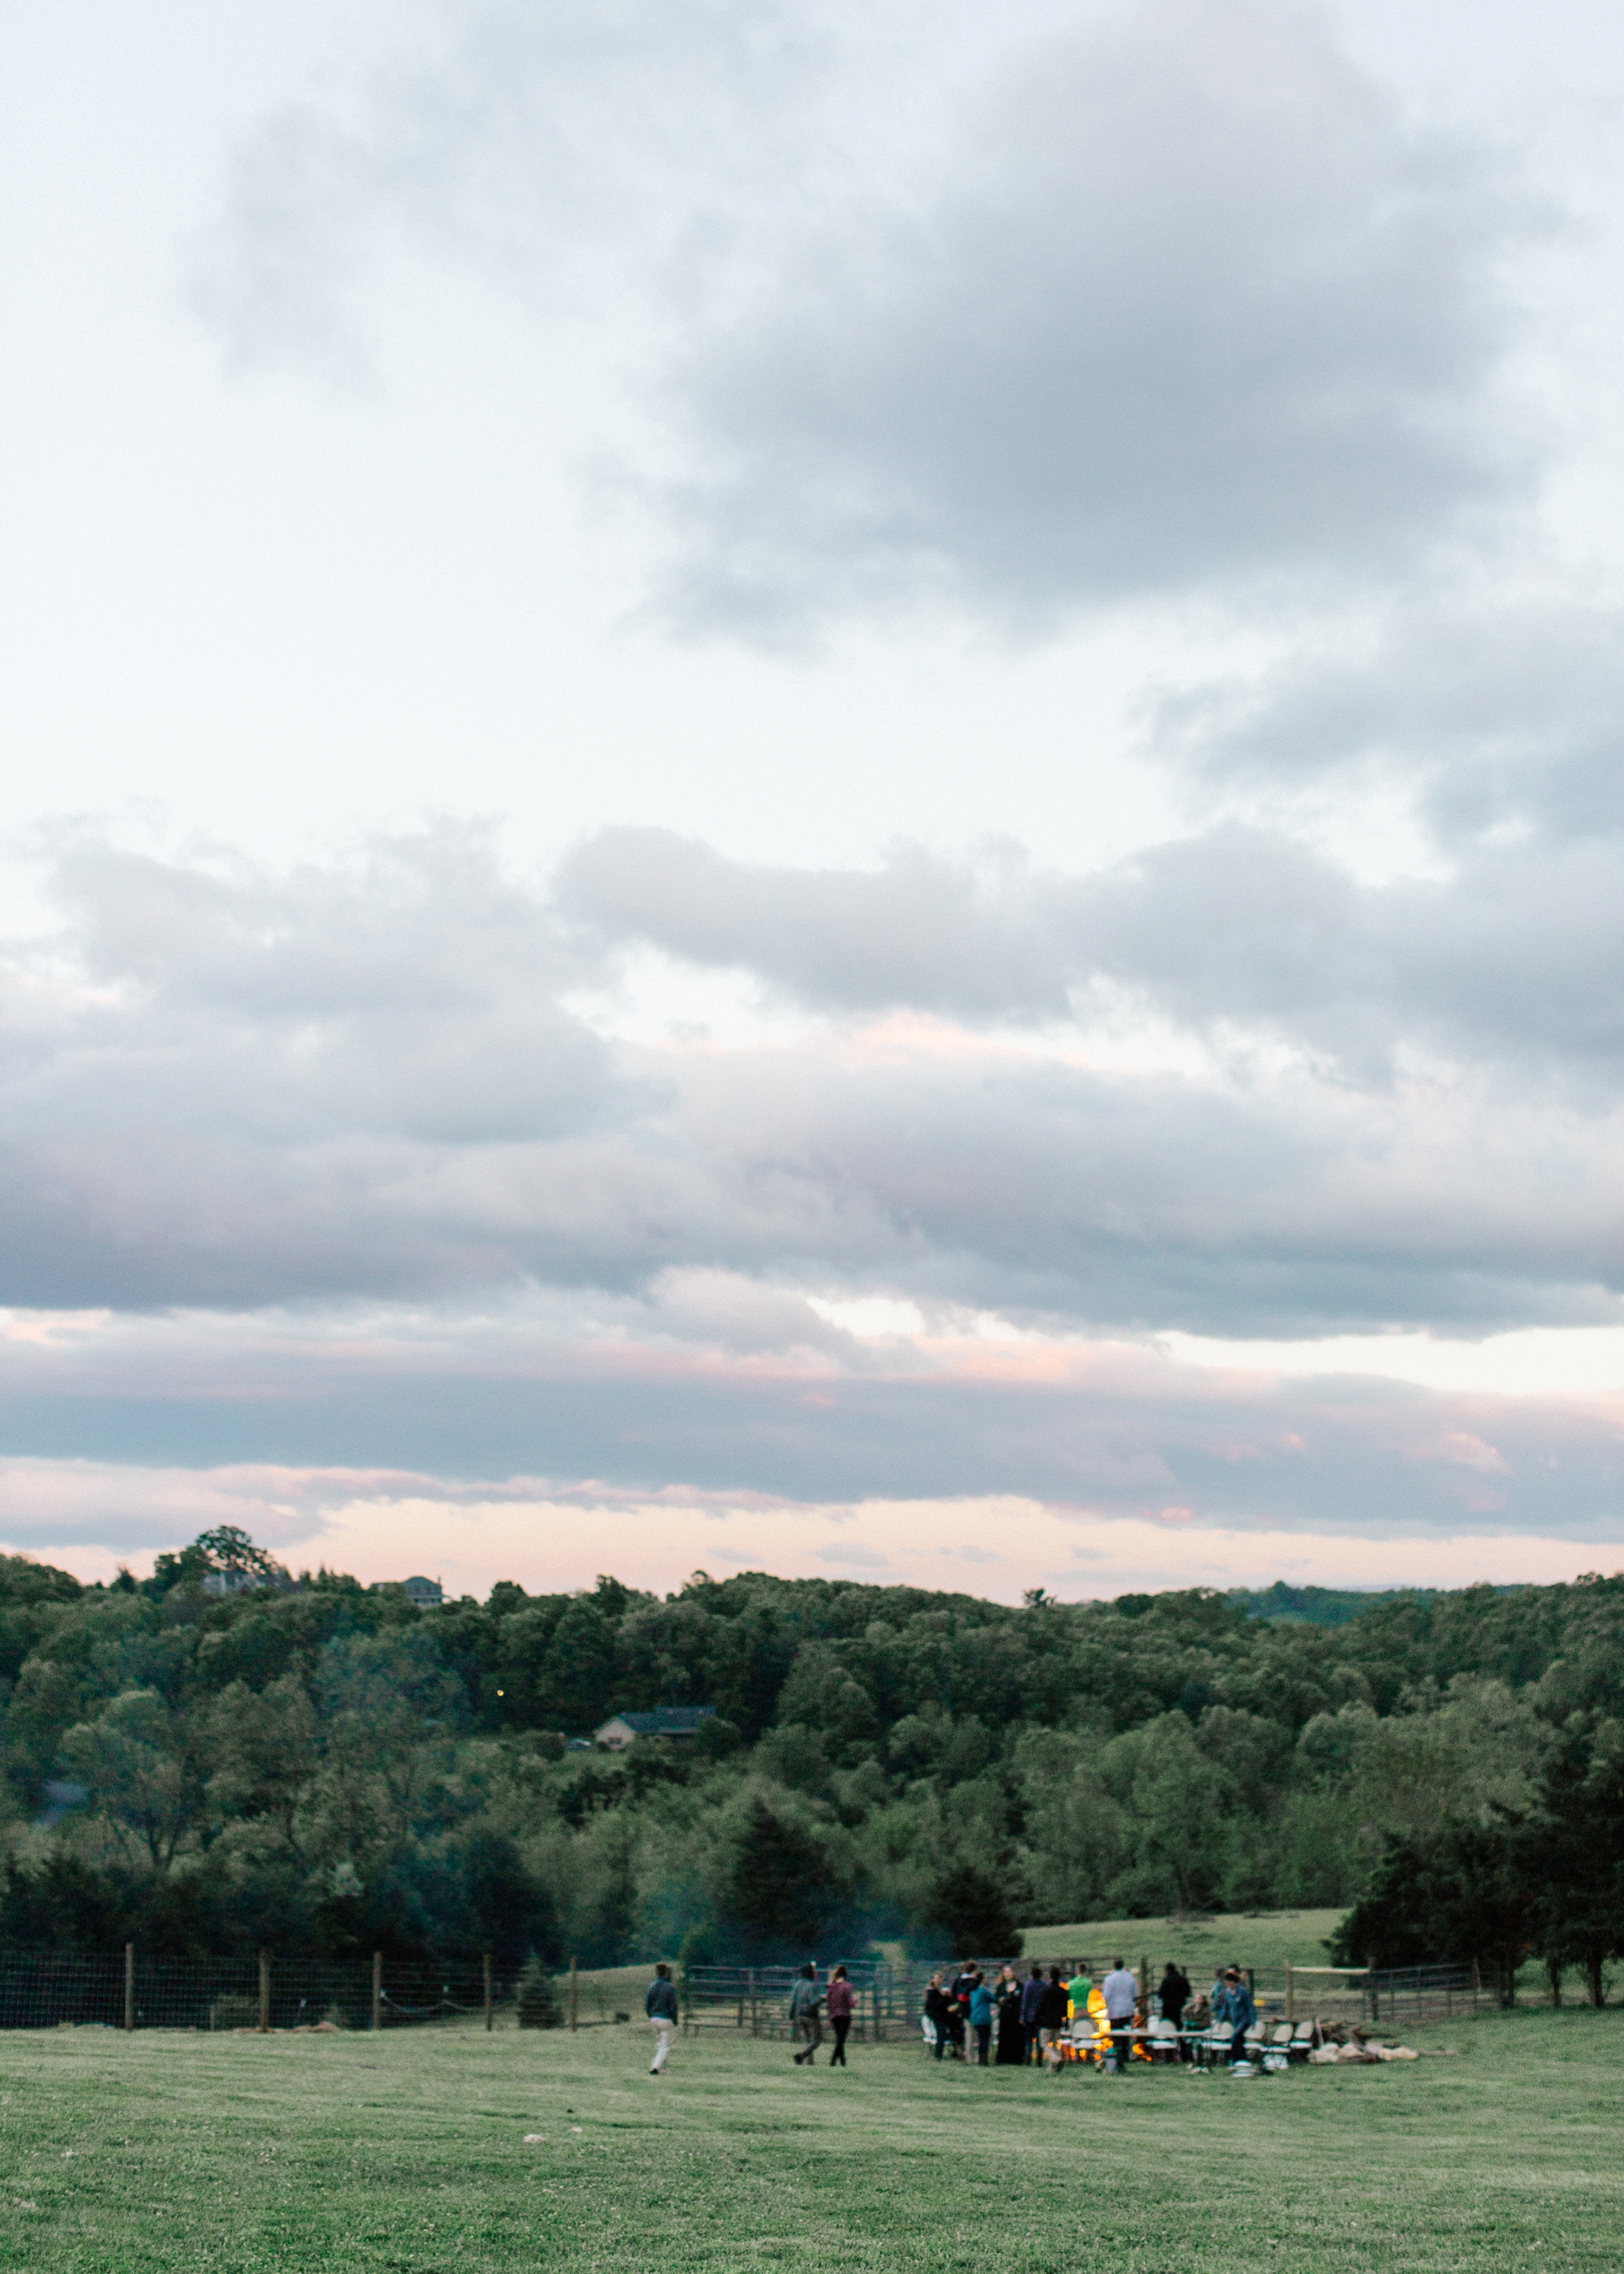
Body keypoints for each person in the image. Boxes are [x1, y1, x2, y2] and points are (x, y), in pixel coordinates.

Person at [1101, 1957, 1138, 2070]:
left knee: (1116, 2035)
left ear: (1113, 1966)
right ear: (1122, 1966)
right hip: (1127, 2010)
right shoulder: (1130, 1978)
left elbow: (1106, 1996)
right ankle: (1125, 2055)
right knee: (1125, 2034)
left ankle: (1117, 2057)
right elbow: (1134, 1994)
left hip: (1115, 2010)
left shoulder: (1109, 1979)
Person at [645, 1961, 678, 2075]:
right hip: (665, 2018)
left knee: (660, 2044)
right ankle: (655, 2067)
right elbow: (673, 2006)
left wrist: (651, 2016)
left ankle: (660, 2068)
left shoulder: (652, 1986)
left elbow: (647, 2005)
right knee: (666, 2045)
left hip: (654, 2019)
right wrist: (675, 2020)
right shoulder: (669, 1987)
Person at [1220, 1967, 1256, 2066]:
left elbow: (1250, 2006)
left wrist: (1253, 2021)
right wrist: (1221, 2020)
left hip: (1244, 2019)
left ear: (1232, 1982)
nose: (1226, 1984)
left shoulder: (1242, 1991)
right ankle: (1243, 2059)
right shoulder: (1227, 1992)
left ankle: (1236, 2058)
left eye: (1227, 1982)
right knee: (1239, 2040)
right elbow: (1225, 2006)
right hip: (1235, 2020)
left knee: (1234, 2038)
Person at [788, 1964, 823, 2064]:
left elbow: (793, 2002)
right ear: (810, 1973)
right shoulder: (812, 1985)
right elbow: (813, 2002)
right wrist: (823, 1999)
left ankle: (810, 2062)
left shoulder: (797, 1985)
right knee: (816, 2041)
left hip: (800, 2015)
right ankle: (801, 2055)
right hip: (810, 2016)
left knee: (808, 2039)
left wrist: (791, 2016)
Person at [1037, 1966, 1068, 2067]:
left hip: (1046, 2021)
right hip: (1058, 2021)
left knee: (1044, 2043)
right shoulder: (1063, 1992)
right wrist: (1065, 2020)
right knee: (1055, 2045)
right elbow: (1065, 2009)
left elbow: (1040, 2006)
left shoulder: (1045, 1991)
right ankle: (1052, 2069)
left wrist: (1038, 2017)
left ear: (1050, 1976)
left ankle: (1055, 2059)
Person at [826, 1964, 855, 2068]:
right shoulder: (847, 1986)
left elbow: (827, 2001)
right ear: (845, 1975)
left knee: (839, 2039)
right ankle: (833, 2062)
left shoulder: (831, 1987)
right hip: (844, 2016)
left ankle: (843, 2062)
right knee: (841, 2040)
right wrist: (856, 1999)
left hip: (834, 2016)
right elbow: (851, 2003)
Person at [995, 1966, 1026, 2064]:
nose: (1007, 1974)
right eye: (1005, 1972)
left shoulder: (1020, 1986)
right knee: (1004, 2037)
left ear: (1013, 1973)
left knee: (1017, 2037)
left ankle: (1017, 2059)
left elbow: (1023, 2000)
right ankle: (1003, 2059)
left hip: (1016, 2015)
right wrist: (1001, 2000)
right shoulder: (1001, 1986)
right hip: (1005, 2015)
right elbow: (996, 1999)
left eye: (1009, 1972)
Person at [1019, 1962, 1047, 2061]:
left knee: (1029, 2039)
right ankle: (1039, 2059)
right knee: (1040, 2039)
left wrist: (1022, 2016)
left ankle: (1028, 2059)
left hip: (1029, 2015)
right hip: (1040, 2016)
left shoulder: (1028, 1985)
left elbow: (1025, 2001)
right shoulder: (1044, 1986)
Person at [924, 1971, 953, 2060]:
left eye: (940, 1978)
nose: (938, 1980)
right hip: (936, 2016)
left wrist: (947, 1996)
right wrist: (944, 1996)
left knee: (944, 2033)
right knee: (941, 2034)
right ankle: (938, 2055)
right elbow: (936, 2005)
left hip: (941, 2016)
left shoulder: (939, 1991)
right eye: (936, 1978)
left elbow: (946, 2004)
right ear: (933, 1980)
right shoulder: (932, 1991)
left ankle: (942, 2053)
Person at [968, 1971, 993, 2064]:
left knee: (980, 2038)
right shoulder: (983, 1991)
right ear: (982, 1980)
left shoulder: (973, 1991)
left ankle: (979, 2058)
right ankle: (983, 2060)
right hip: (984, 2018)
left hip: (975, 2018)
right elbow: (993, 1998)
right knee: (984, 2039)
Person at [1158, 1961, 1190, 2030]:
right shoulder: (1182, 1979)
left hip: (1168, 2007)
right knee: (1178, 2022)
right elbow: (1188, 1992)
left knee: (1167, 2023)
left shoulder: (1166, 1980)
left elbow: (1161, 1994)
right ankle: (1179, 2037)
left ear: (1167, 1970)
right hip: (1180, 2005)